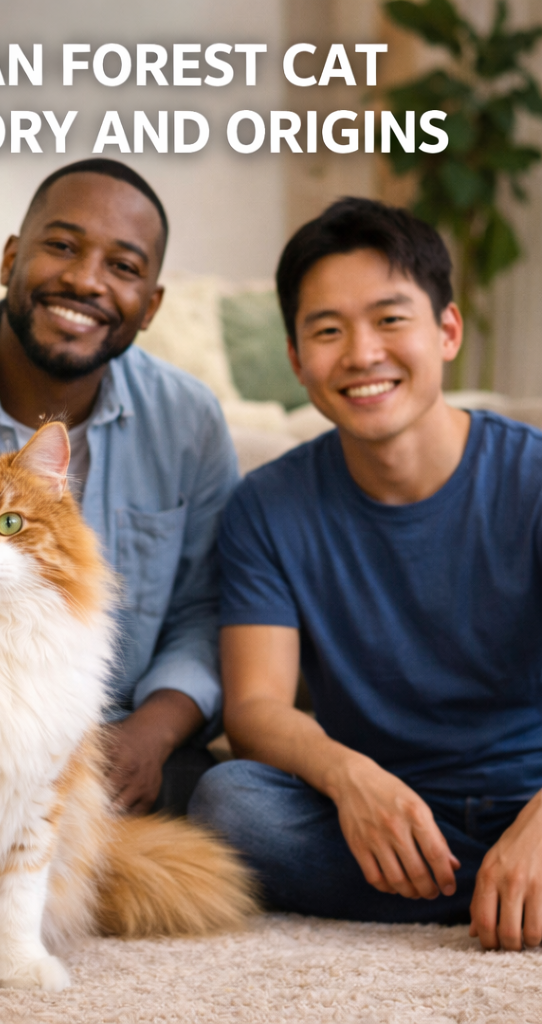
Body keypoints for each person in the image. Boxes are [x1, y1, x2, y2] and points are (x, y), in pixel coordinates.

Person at [192, 197, 542, 951]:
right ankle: (492, 895)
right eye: (327, 330)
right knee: (229, 803)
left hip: (532, 797)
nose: (361, 354)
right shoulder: (266, 505)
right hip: (383, 813)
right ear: (296, 360)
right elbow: (254, 707)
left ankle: (498, 881)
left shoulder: (533, 477)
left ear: (447, 332)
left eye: (390, 319)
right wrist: (349, 777)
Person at [0, 159, 238, 816]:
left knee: (230, 807)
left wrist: (151, 735)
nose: (85, 280)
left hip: (119, 733)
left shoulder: (190, 420)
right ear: (10, 259)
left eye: (122, 266)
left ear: (151, 306)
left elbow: (206, 609)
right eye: (63, 246)